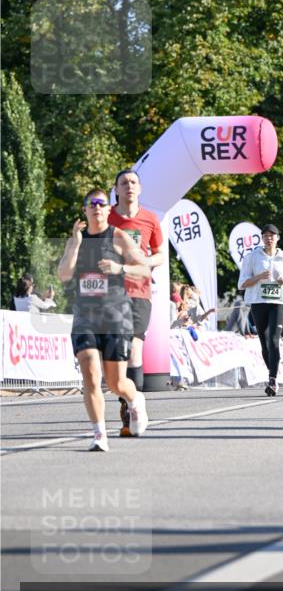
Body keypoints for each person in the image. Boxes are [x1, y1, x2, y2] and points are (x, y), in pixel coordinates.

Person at [58, 188, 150, 451]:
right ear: (85, 209)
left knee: (116, 383)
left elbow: (144, 268)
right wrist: (75, 243)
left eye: (101, 203)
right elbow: (64, 274)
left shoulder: (118, 237)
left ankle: (134, 400)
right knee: (90, 372)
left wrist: (120, 268)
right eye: (91, 203)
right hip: (85, 315)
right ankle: (99, 434)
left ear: (108, 209)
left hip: (115, 315)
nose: (96, 207)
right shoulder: (76, 239)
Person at [109, 169, 165, 436]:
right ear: (116, 190)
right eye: (124, 183)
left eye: (133, 182)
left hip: (140, 292)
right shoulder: (106, 217)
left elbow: (160, 255)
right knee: (115, 356)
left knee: (133, 351)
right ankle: (130, 402)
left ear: (139, 189)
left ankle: (132, 412)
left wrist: (145, 262)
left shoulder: (150, 219)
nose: (129, 186)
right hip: (109, 295)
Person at [238, 223, 283, 396]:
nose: (269, 239)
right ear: (262, 238)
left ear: (277, 238)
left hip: (278, 302)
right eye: (266, 236)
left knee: (273, 340)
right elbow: (242, 283)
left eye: (272, 236)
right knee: (264, 342)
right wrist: (258, 277)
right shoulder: (252, 257)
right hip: (258, 302)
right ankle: (272, 373)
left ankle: (272, 379)